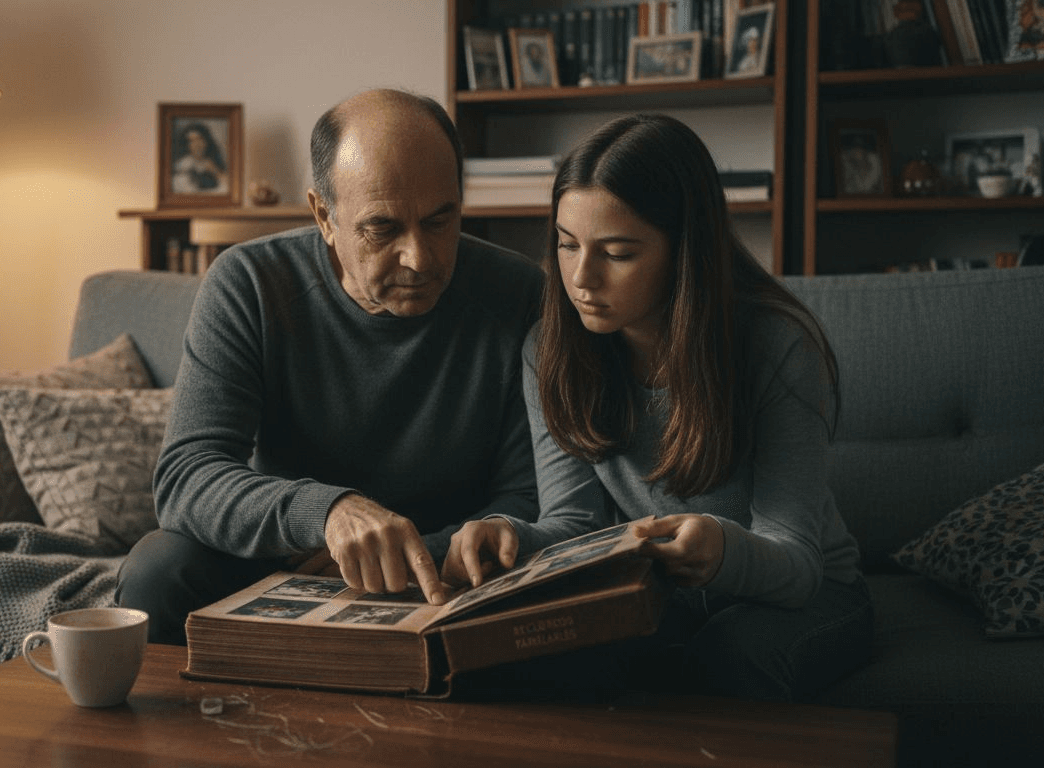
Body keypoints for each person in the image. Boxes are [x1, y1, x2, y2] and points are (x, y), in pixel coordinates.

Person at [442, 114, 873, 702]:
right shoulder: (549, 349)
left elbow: (798, 564)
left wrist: (720, 549)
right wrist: (506, 533)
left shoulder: (775, 345)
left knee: (728, 657)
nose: (581, 278)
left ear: (684, 251)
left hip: (811, 593)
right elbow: (576, 527)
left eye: (617, 253)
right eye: (567, 245)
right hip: (660, 592)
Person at [117, 89, 544, 644]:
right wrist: (328, 513)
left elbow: (527, 495)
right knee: (159, 570)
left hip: (448, 570)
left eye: (441, 221)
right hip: (289, 555)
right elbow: (187, 477)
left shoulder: (520, 293)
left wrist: (416, 551)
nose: (420, 257)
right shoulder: (248, 283)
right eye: (383, 229)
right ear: (324, 215)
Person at [172, 122, 228, 194]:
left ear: (206, 141)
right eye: (191, 141)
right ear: (187, 145)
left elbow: (228, 188)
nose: (197, 144)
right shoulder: (182, 166)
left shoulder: (213, 161)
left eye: (199, 139)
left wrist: (215, 171)